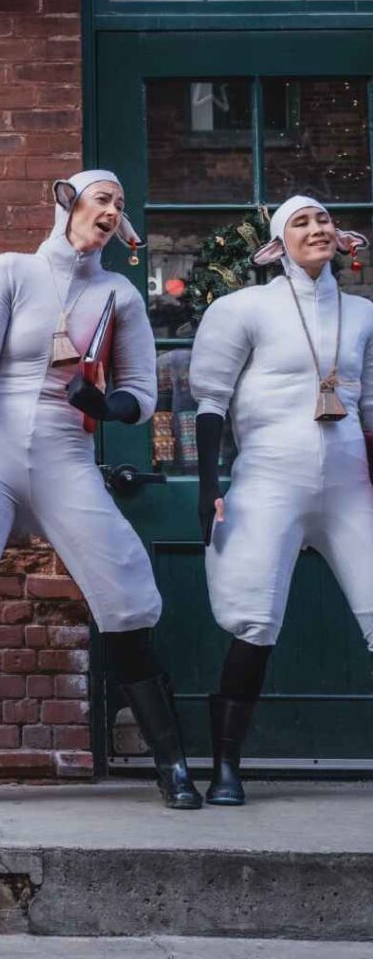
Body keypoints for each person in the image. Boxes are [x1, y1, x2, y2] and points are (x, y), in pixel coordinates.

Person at [0, 170, 202, 811]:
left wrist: (104, 402)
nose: (113, 209)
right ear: (68, 201)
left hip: (62, 445)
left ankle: (173, 763)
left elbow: (140, 394)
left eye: (121, 205)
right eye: (104, 198)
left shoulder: (117, 295)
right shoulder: (11, 271)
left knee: (122, 584)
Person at [191, 195, 372, 806]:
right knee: (254, 621)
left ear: (343, 239)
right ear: (276, 245)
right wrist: (210, 485)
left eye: (324, 220)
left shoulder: (364, 314)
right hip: (270, 479)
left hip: (351, 486)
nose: (317, 228)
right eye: (302, 221)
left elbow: (370, 408)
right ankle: (226, 766)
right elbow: (211, 401)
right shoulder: (244, 308)